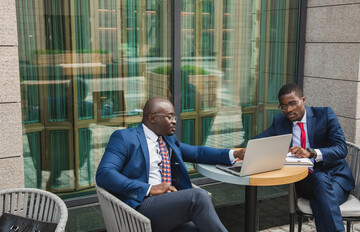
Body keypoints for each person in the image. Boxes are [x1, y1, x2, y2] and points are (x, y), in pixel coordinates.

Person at [96, 97, 244, 232]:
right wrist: (149, 189)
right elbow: (105, 173)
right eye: (169, 117)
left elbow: (198, 153)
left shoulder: (168, 140)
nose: (174, 121)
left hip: (168, 208)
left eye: (174, 117)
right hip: (142, 208)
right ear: (152, 118)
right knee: (198, 196)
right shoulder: (125, 138)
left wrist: (234, 154)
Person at [250, 83, 354, 232]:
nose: (288, 110)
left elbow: (341, 149)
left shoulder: (324, 115)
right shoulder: (280, 122)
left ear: (303, 100)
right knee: (319, 184)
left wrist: (311, 153)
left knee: (321, 197)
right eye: (283, 106)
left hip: (336, 179)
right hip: (306, 182)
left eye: (292, 103)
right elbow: (257, 142)